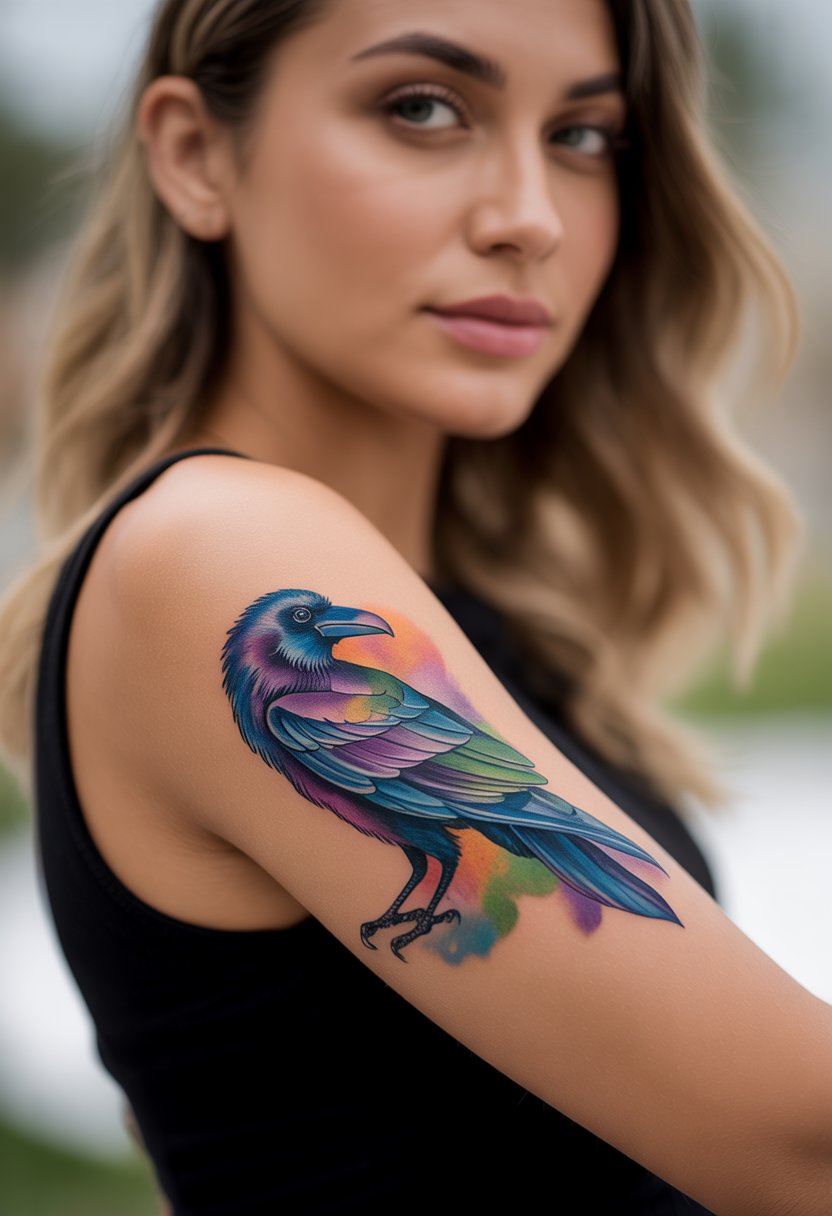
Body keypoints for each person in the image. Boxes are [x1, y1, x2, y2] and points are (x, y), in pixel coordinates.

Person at [0, 0, 829, 1212]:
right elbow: (799, 1137)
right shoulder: (221, 548)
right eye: (422, 108)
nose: (530, 218)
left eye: (583, 136)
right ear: (195, 155)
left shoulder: (471, 619)